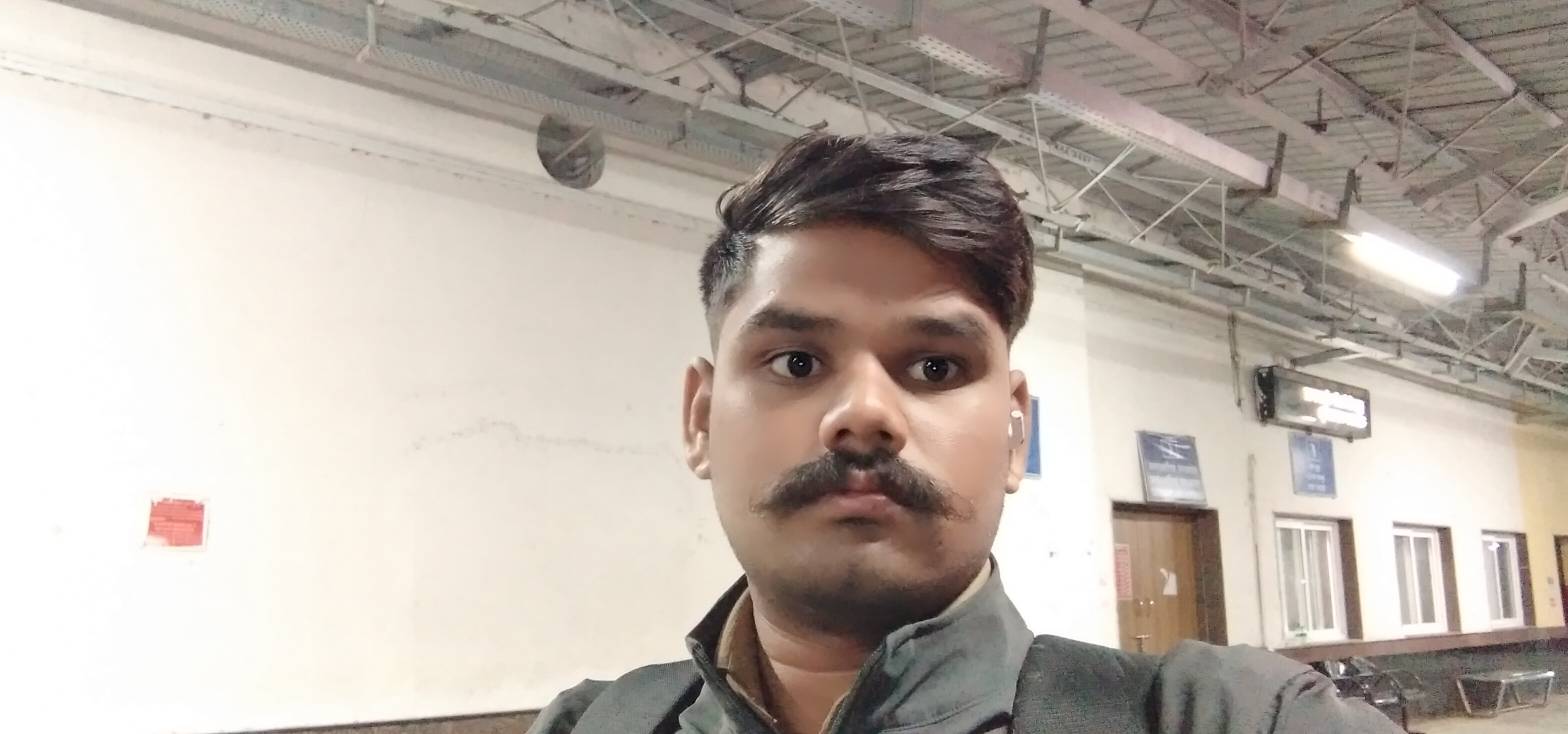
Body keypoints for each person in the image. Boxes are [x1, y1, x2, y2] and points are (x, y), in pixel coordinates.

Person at [527, 134, 1400, 734]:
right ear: (700, 419)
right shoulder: (590, 728)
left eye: (936, 366)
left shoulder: (1230, 720)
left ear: (1016, 433)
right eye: (795, 362)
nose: (864, 413)